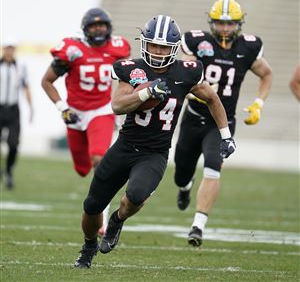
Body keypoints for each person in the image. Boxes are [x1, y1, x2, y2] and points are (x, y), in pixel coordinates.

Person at [73, 14, 236, 269]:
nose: (158, 52)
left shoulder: (187, 72)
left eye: (163, 47)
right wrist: (146, 92)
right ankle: (88, 245)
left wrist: (226, 135)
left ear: (173, 49)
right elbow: (117, 105)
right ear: (144, 44)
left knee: (136, 196)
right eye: (153, 45)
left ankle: (117, 220)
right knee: (92, 205)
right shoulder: (132, 69)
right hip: (125, 146)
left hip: (155, 153)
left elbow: (213, 99)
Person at [173, 0, 273, 247]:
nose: (225, 29)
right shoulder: (197, 42)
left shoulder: (249, 47)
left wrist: (259, 103)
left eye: (230, 24)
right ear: (211, 22)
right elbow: (183, 69)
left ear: (239, 24)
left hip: (222, 122)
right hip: (194, 117)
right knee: (181, 173)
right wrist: (187, 88)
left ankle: (198, 225)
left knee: (213, 167)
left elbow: (267, 74)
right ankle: (185, 187)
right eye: (220, 23)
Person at [41, 8, 130, 235]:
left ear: (109, 28)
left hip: (101, 110)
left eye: (102, 25)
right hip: (75, 113)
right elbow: (47, 81)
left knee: (99, 158)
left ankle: (102, 214)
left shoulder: (118, 48)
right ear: (86, 29)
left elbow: (128, 79)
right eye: (94, 26)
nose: (99, 29)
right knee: (82, 169)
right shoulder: (72, 50)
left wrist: (123, 108)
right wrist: (62, 108)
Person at [0, 38, 33, 189]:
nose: (9, 51)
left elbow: (25, 87)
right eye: (7, 48)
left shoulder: (20, 67)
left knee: (13, 145)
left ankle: (8, 171)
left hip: (13, 110)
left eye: (11, 48)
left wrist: (30, 106)